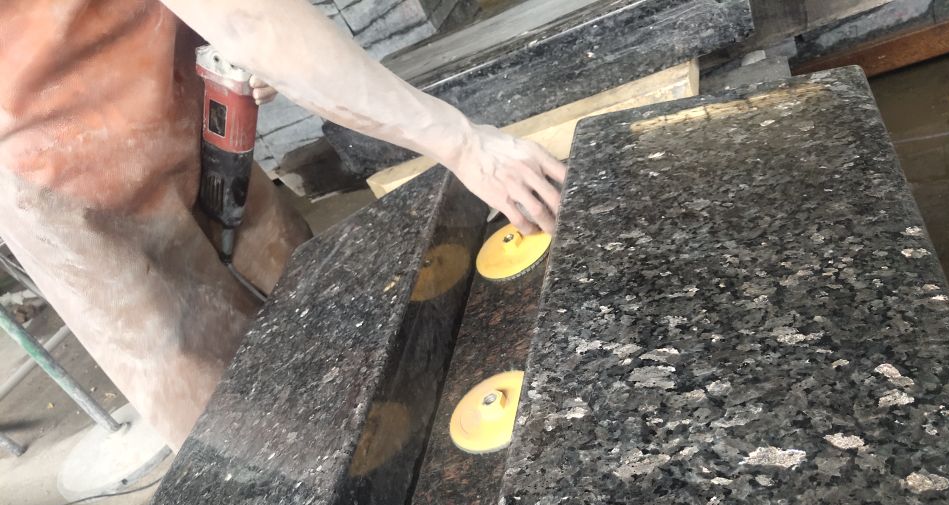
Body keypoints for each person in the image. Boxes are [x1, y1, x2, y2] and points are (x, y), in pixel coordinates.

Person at [0, 0, 566, 450]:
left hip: (183, 105)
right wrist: (461, 143)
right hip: (55, 180)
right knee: (221, 386)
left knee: (304, 284)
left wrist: (223, 41)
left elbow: (248, 19)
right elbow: (252, 18)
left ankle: (413, 427)